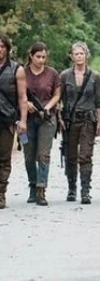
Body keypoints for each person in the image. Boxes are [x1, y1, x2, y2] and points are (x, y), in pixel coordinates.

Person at [60, 42, 100, 205]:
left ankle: (85, 191)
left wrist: (99, 121)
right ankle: (72, 188)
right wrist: (60, 119)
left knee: (85, 155)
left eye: (81, 53)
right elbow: (59, 98)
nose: (79, 56)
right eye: (75, 54)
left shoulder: (94, 76)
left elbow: (98, 101)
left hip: (88, 119)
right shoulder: (64, 76)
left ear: (86, 55)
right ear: (71, 56)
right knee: (70, 155)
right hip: (70, 120)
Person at [24, 42, 60, 206]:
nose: (41, 60)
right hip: (26, 119)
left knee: (43, 155)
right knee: (29, 156)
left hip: (47, 118)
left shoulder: (52, 73)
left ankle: (41, 188)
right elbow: (17, 93)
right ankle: (32, 184)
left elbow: (57, 95)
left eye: (44, 57)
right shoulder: (22, 72)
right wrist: (26, 103)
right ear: (31, 56)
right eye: (38, 57)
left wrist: (47, 107)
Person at [0, 34, 28, 209]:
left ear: (7, 49)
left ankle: (1, 192)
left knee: (3, 158)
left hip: (6, 119)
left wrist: (22, 120)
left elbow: (22, 97)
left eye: (2, 46)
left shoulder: (17, 69)